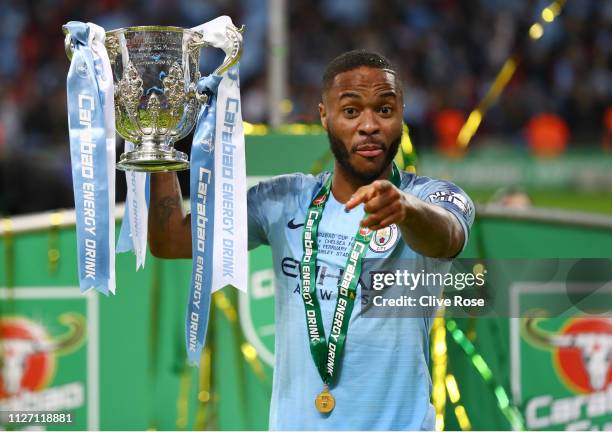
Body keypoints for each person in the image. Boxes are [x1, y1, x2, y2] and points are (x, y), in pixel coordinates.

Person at [148, 50, 475, 430]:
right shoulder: (284, 200)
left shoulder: (433, 198)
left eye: (384, 110)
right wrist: (159, 140)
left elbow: (447, 237)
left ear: (401, 113)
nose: (369, 125)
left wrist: (406, 209)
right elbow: (170, 239)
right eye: (351, 111)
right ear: (324, 116)